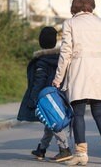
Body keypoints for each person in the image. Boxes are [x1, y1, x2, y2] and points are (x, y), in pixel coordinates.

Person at [52, 0, 101, 166]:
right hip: (99, 73)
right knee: (99, 113)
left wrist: (58, 78)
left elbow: (65, 53)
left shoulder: (70, 23)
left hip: (79, 72)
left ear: (75, 7)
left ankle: (81, 154)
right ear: (91, 6)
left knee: (79, 114)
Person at [17, 26, 72, 162]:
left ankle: (65, 149)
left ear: (41, 41)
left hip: (45, 97)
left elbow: (39, 81)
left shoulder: (42, 61)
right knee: (50, 122)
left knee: (53, 121)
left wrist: (33, 99)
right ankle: (41, 149)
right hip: (60, 95)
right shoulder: (60, 58)